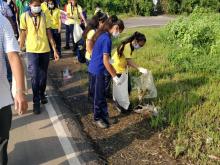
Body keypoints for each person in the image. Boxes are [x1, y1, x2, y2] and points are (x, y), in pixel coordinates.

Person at [19, 0, 59, 114]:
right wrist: (20, 48)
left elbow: (49, 33)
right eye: (35, 5)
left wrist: (54, 50)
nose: (37, 7)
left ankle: (42, 94)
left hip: (45, 50)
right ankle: (36, 102)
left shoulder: (45, 15)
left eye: (38, 5)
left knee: (43, 76)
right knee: (34, 76)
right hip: (31, 51)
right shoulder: (24, 16)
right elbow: (23, 33)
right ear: (30, 5)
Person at [0, 13, 28, 165]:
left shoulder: (1, 21)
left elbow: (13, 57)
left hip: (1, 99)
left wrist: (20, 92)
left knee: (1, 146)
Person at [88, 15, 125, 129]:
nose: (118, 33)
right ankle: (97, 118)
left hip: (97, 68)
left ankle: (104, 116)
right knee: (98, 96)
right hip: (97, 70)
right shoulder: (106, 39)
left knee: (102, 95)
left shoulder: (103, 35)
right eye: (119, 31)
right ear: (115, 27)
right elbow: (105, 61)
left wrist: (110, 63)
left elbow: (104, 57)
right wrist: (114, 76)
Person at [112, 32, 148, 113]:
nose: (140, 47)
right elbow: (129, 61)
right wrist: (139, 68)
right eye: (140, 45)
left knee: (127, 87)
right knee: (120, 89)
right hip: (118, 69)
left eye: (142, 46)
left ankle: (123, 104)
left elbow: (127, 60)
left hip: (121, 68)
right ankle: (120, 105)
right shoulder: (128, 46)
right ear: (135, 41)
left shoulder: (130, 45)